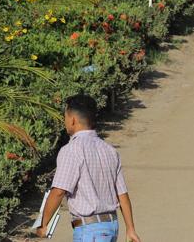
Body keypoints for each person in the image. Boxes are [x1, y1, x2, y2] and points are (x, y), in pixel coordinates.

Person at [38, 94, 142, 241]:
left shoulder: (71, 150)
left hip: (89, 230)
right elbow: (122, 194)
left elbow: (59, 192)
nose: (64, 121)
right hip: (111, 226)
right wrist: (130, 228)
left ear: (72, 119)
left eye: (65, 116)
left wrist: (44, 224)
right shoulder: (109, 150)